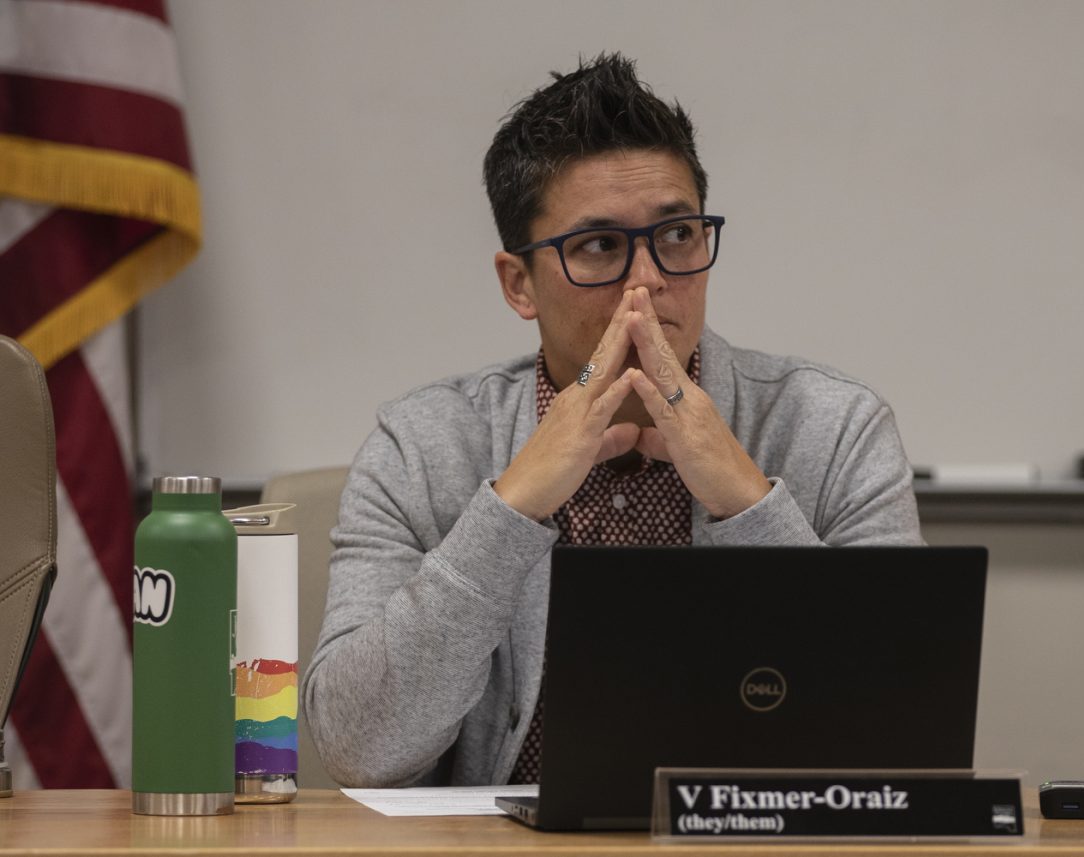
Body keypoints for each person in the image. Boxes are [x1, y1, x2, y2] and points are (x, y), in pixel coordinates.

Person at [301, 53, 922, 789]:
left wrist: (750, 505)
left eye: (679, 235)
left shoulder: (838, 428)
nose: (649, 281)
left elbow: (904, 740)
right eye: (599, 246)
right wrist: (510, 509)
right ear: (519, 283)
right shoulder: (420, 446)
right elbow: (355, 747)